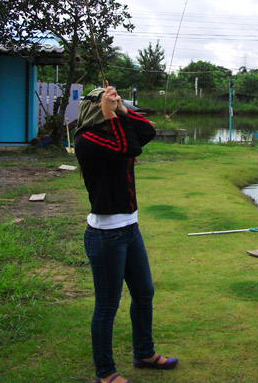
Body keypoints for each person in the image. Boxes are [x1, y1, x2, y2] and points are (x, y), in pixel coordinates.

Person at [74, 85, 178, 383]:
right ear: (96, 108)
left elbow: (146, 133)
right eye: (111, 101)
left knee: (144, 293)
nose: (118, 104)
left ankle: (144, 354)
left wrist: (121, 111)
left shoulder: (114, 132)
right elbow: (128, 148)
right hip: (106, 235)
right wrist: (112, 115)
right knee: (107, 306)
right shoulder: (87, 140)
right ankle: (105, 373)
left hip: (129, 228)